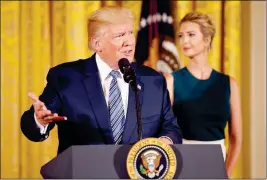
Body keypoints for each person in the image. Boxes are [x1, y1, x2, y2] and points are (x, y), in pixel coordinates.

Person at [20, 7, 182, 155]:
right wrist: (38, 120)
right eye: (120, 35)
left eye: (130, 33)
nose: (130, 41)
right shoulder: (66, 77)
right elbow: (32, 128)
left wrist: (164, 141)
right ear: (97, 44)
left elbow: (170, 127)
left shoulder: (153, 81)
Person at [164, 12, 242, 177]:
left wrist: (225, 174)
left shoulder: (229, 84)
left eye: (191, 35)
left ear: (207, 40)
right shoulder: (171, 81)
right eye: (181, 35)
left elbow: (236, 138)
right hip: (181, 165)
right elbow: (164, 130)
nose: (184, 41)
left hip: (216, 165)